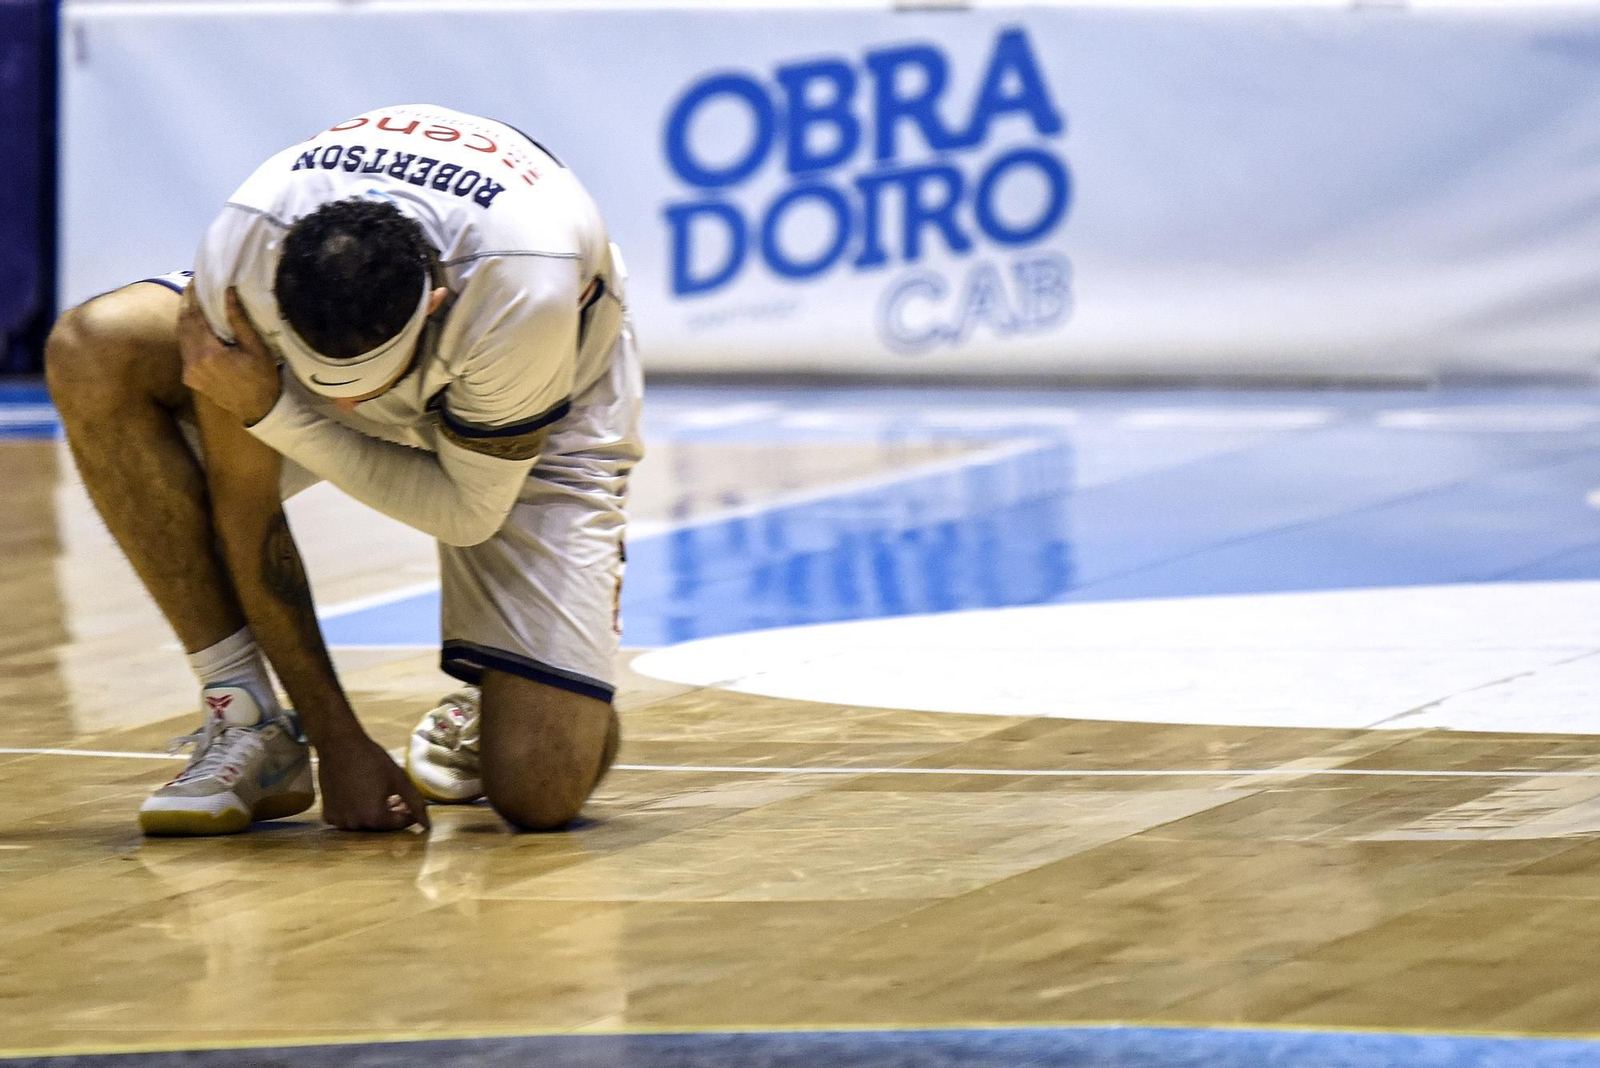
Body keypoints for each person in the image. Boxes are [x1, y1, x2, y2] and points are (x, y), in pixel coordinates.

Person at [45, 104, 641, 835]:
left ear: (435, 307)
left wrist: (277, 413)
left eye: (362, 388)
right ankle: (246, 719)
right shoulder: (246, 256)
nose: (349, 405)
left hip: (542, 384)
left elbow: (468, 512)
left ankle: (508, 683)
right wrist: (337, 740)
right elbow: (246, 501)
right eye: (327, 386)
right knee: (94, 350)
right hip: (331, 360)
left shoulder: (522, 287)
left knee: (539, 788)